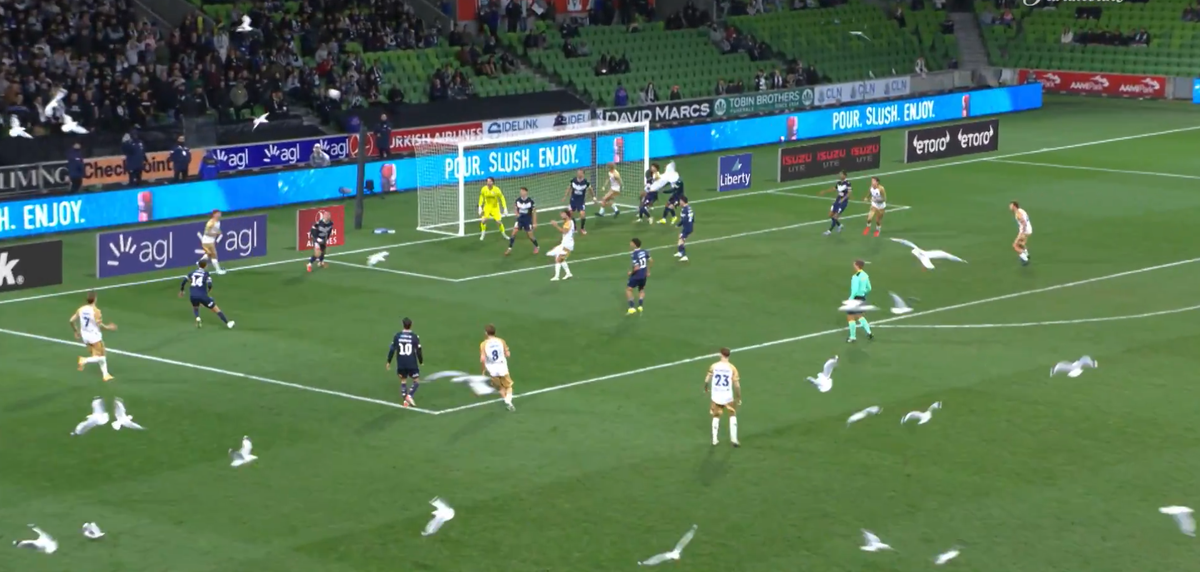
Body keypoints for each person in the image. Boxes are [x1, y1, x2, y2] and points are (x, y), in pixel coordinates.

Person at [69, 291, 116, 382]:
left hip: (85, 336)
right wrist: (109, 327)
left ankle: (105, 375)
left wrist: (75, 331)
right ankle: (84, 360)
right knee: (101, 356)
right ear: (95, 299)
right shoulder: (96, 311)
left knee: (98, 356)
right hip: (94, 336)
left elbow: (71, 320)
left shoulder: (81, 309)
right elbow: (100, 325)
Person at [179, 260, 235, 328]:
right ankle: (228, 323)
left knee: (195, 307)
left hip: (192, 295)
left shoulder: (191, 273)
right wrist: (206, 294)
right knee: (216, 309)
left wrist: (182, 290)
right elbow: (210, 285)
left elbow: (184, 281)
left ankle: (197, 317)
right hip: (202, 296)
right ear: (205, 266)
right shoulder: (206, 274)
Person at [705, 347, 741, 447]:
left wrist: (706, 388)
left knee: (716, 415)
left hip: (716, 395)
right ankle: (734, 439)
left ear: (720, 354)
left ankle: (714, 439)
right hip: (727, 396)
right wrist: (738, 397)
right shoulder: (732, 368)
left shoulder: (714, 366)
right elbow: (737, 385)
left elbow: (707, 379)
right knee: (732, 414)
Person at [386, 317, 423, 407]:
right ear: (411, 325)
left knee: (403, 380)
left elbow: (392, 350)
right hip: (411, 362)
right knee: (416, 381)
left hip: (401, 363)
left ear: (403, 325)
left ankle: (405, 402)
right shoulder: (414, 337)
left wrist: (388, 361)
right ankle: (409, 396)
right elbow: (418, 350)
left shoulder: (397, 336)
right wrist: (421, 361)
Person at [480, 324, 516, 411]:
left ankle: (508, 403)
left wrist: (483, 370)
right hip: (502, 366)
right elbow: (508, 354)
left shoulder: (483, 344)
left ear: (486, 333)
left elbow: (482, 359)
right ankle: (509, 401)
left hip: (492, 369)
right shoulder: (501, 341)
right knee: (509, 386)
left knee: (500, 388)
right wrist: (505, 353)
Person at [506, 187, 539, 256]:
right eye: (520, 191)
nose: (521, 193)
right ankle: (509, 248)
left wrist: (535, 222)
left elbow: (534, 212)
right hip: (520, 219)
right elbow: (515, 208)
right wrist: (517, 214)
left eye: (523, 191)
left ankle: (537, 246)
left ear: (526, 192)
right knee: (513, 233)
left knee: (530, 235)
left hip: (527, 220)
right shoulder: (518, 200)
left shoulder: (530, 201)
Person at [846, 259, 873, 343]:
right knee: (859, 315)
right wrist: (864, 293)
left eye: (854, 264)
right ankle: (869, 332)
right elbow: (869, 288)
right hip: (862, 297)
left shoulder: (856, 277)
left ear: (857, 265)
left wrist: (851, 298)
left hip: (855, 298)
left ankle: (852, 337)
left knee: (850, 317)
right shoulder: (865, 275)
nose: (853, 265)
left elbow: (854, 290)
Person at [563, 169, 596, 235]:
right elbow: (569, 188)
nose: (579, 174)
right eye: (578, 173)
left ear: (583, 174)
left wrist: (593, 197)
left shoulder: (586, 182)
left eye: (580, 173)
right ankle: (574, 227)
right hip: (573, 200)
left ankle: (582, 228)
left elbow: (590, 189)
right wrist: (565, 196)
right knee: (570, 214)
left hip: (581, 201)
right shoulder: (573, 180)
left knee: (582, 214)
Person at [819, 171, 852, 235]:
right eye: (840, 174)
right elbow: (834, 189)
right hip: (837, 201)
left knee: (835, 216)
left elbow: (849, 193)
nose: (840, 175)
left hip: (843, 203)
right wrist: (825, 191)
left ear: (845, 176)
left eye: (841, 174)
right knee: (830, 215)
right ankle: (839, 225)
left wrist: (843, 199)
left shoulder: (848, 183)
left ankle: (829, 231)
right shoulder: (838, 183)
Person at [547, 209, 576, 281]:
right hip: (565, 244)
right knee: (559, 258)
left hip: (567, 245)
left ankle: (556, 277)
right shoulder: (569, 222)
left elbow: (564, 232)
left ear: (566, 214)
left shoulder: (568, 223)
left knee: (558, 259)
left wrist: (556, 225)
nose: (561, 215)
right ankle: (568, 273)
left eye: (562, 214)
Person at [626, 237, 651, 314]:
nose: (630, 244)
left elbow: (636, 267)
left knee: (629, 290)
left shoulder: (634, 254)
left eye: (631, 243)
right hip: (643, 275)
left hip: (637, 275)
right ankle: (640, 306)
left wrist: (631, 273)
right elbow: (651, 260)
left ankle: (632, 307)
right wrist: (648, 271)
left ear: (634, 244)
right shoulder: (645, 251)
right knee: (641, 289)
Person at [201, 210, 226, 274]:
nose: (220, 214)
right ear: (214, 215)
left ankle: (200, 264)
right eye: (218, 213)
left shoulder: (218, 222)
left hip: (211, 241)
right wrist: (215, 234)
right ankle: (218, 270)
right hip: (207, 241)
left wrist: (219, 232)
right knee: (214, 255)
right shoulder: (210, 222)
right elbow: (206, 233)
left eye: (220, 213)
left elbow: (216, 229)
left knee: (208, 255)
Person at [1010, 201, 1032, 265]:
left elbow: (1024, 223)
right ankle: (1026, 253)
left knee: (1015, 245)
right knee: (1020, 243)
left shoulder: (1018, 214)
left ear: (1014, 206)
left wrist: (1022, 233)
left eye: (1011, 206)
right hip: (1029, 229)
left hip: (1024, 231)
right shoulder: (1021, 210)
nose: (1010, 207)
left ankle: (1025, 259)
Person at [674, 196, 693, 262]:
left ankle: (684, 256)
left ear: (682, 201)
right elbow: (692, 218)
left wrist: (678, 225)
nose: (679, 202)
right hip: (689, 226)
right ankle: (680, 252)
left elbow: (684, 220)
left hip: (687, 227)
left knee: (680, 241)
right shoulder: (689, 208)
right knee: (680, 237)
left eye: (680, 201)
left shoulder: (685, 209)